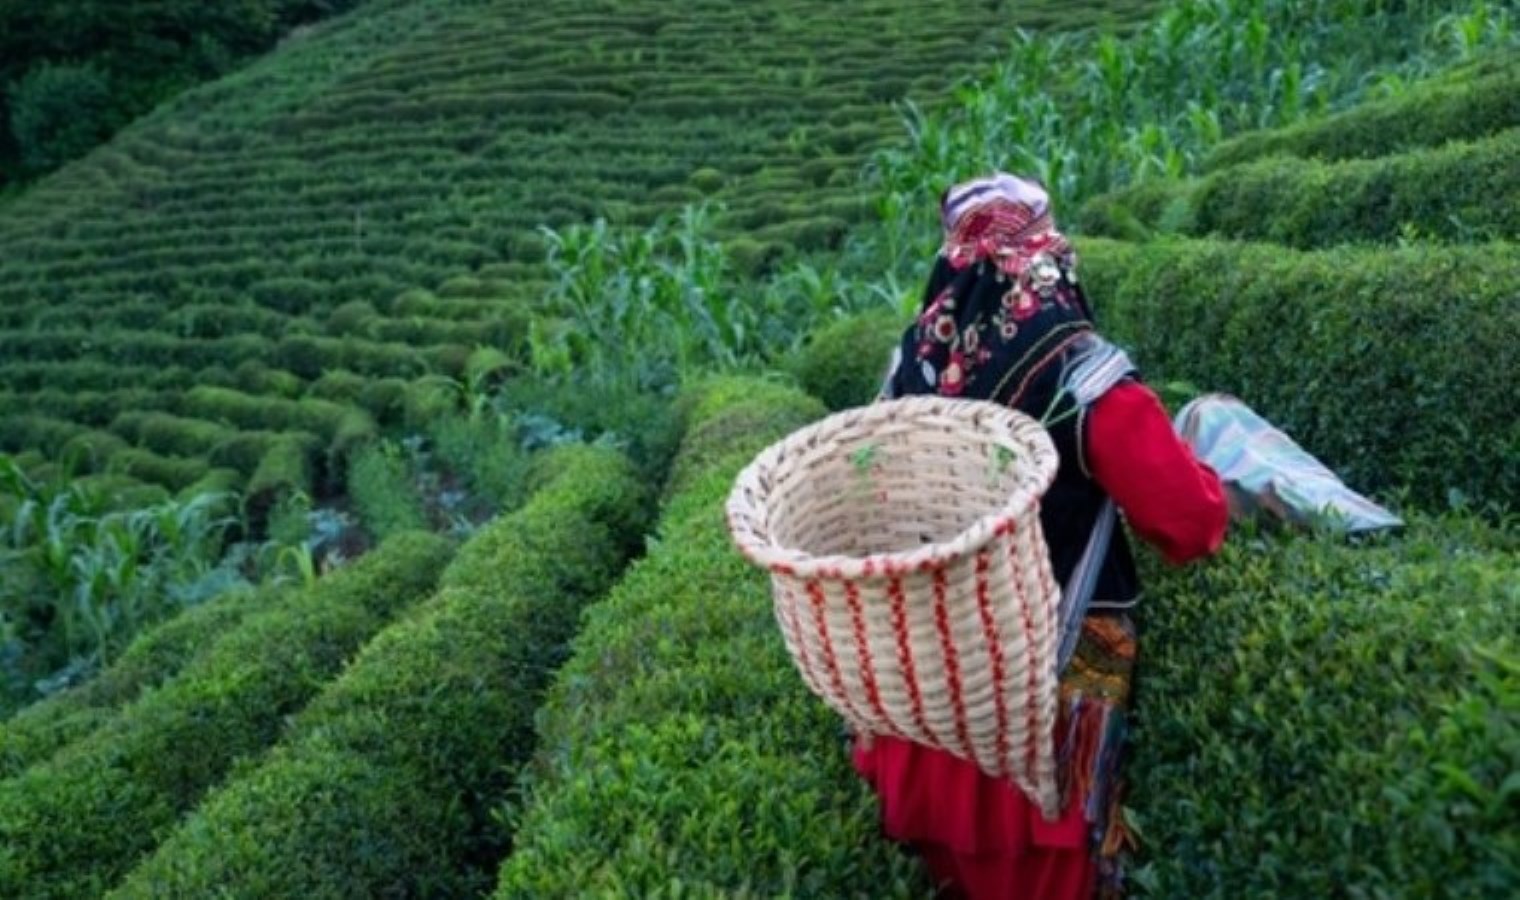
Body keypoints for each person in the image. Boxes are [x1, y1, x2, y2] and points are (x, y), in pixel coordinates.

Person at [856, 173, 1229, 899]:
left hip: (926, 707)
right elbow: (1191, 524)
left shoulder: (908, 371)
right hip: (1040, 723)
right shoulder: (1081, 376)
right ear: (1046, 251)